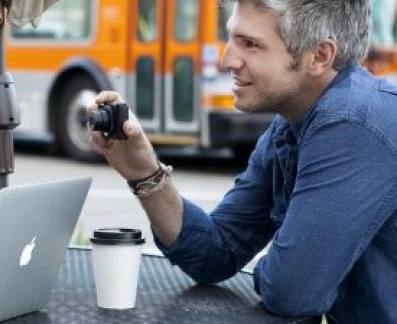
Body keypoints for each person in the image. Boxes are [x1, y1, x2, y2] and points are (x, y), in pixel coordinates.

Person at [89, 0, 397, 323]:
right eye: (232, 38)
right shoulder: (291, 123)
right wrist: (144, 172)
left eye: (250, 44)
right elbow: (216, 252)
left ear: (319, 56)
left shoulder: (353, 123)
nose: (226, 60)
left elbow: (291, 291)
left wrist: (284, 267)